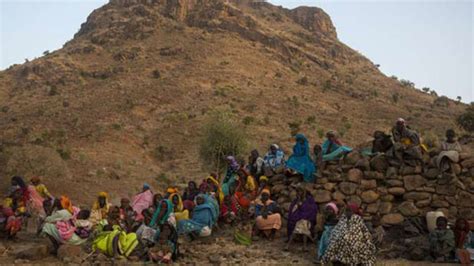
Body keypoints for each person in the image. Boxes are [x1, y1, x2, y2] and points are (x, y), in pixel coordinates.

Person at [286, 185, 318, 251]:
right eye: (298, 191)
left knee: (302, 224)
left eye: (300, 191)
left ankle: (288, 245)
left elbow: (312, 210)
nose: (299, 193)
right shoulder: (296, 200)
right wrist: (298, 205)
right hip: (299, 217)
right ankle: (304, 246)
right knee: (302, 225)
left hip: (307, 217)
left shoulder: (309, 199)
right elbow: (293, 211)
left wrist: (302, 208)